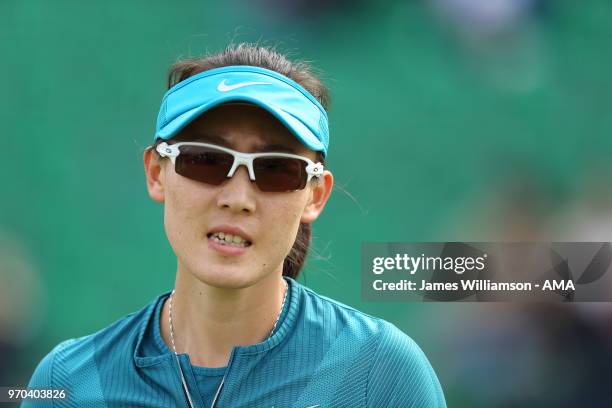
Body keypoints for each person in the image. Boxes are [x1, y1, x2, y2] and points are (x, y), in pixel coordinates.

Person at [23, 43, 446, 407]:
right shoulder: (66, 382)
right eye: (205, 160)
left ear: (314, 195)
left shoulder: (379, 373)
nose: (237, 199)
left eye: (278, 169)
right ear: (156, 173)